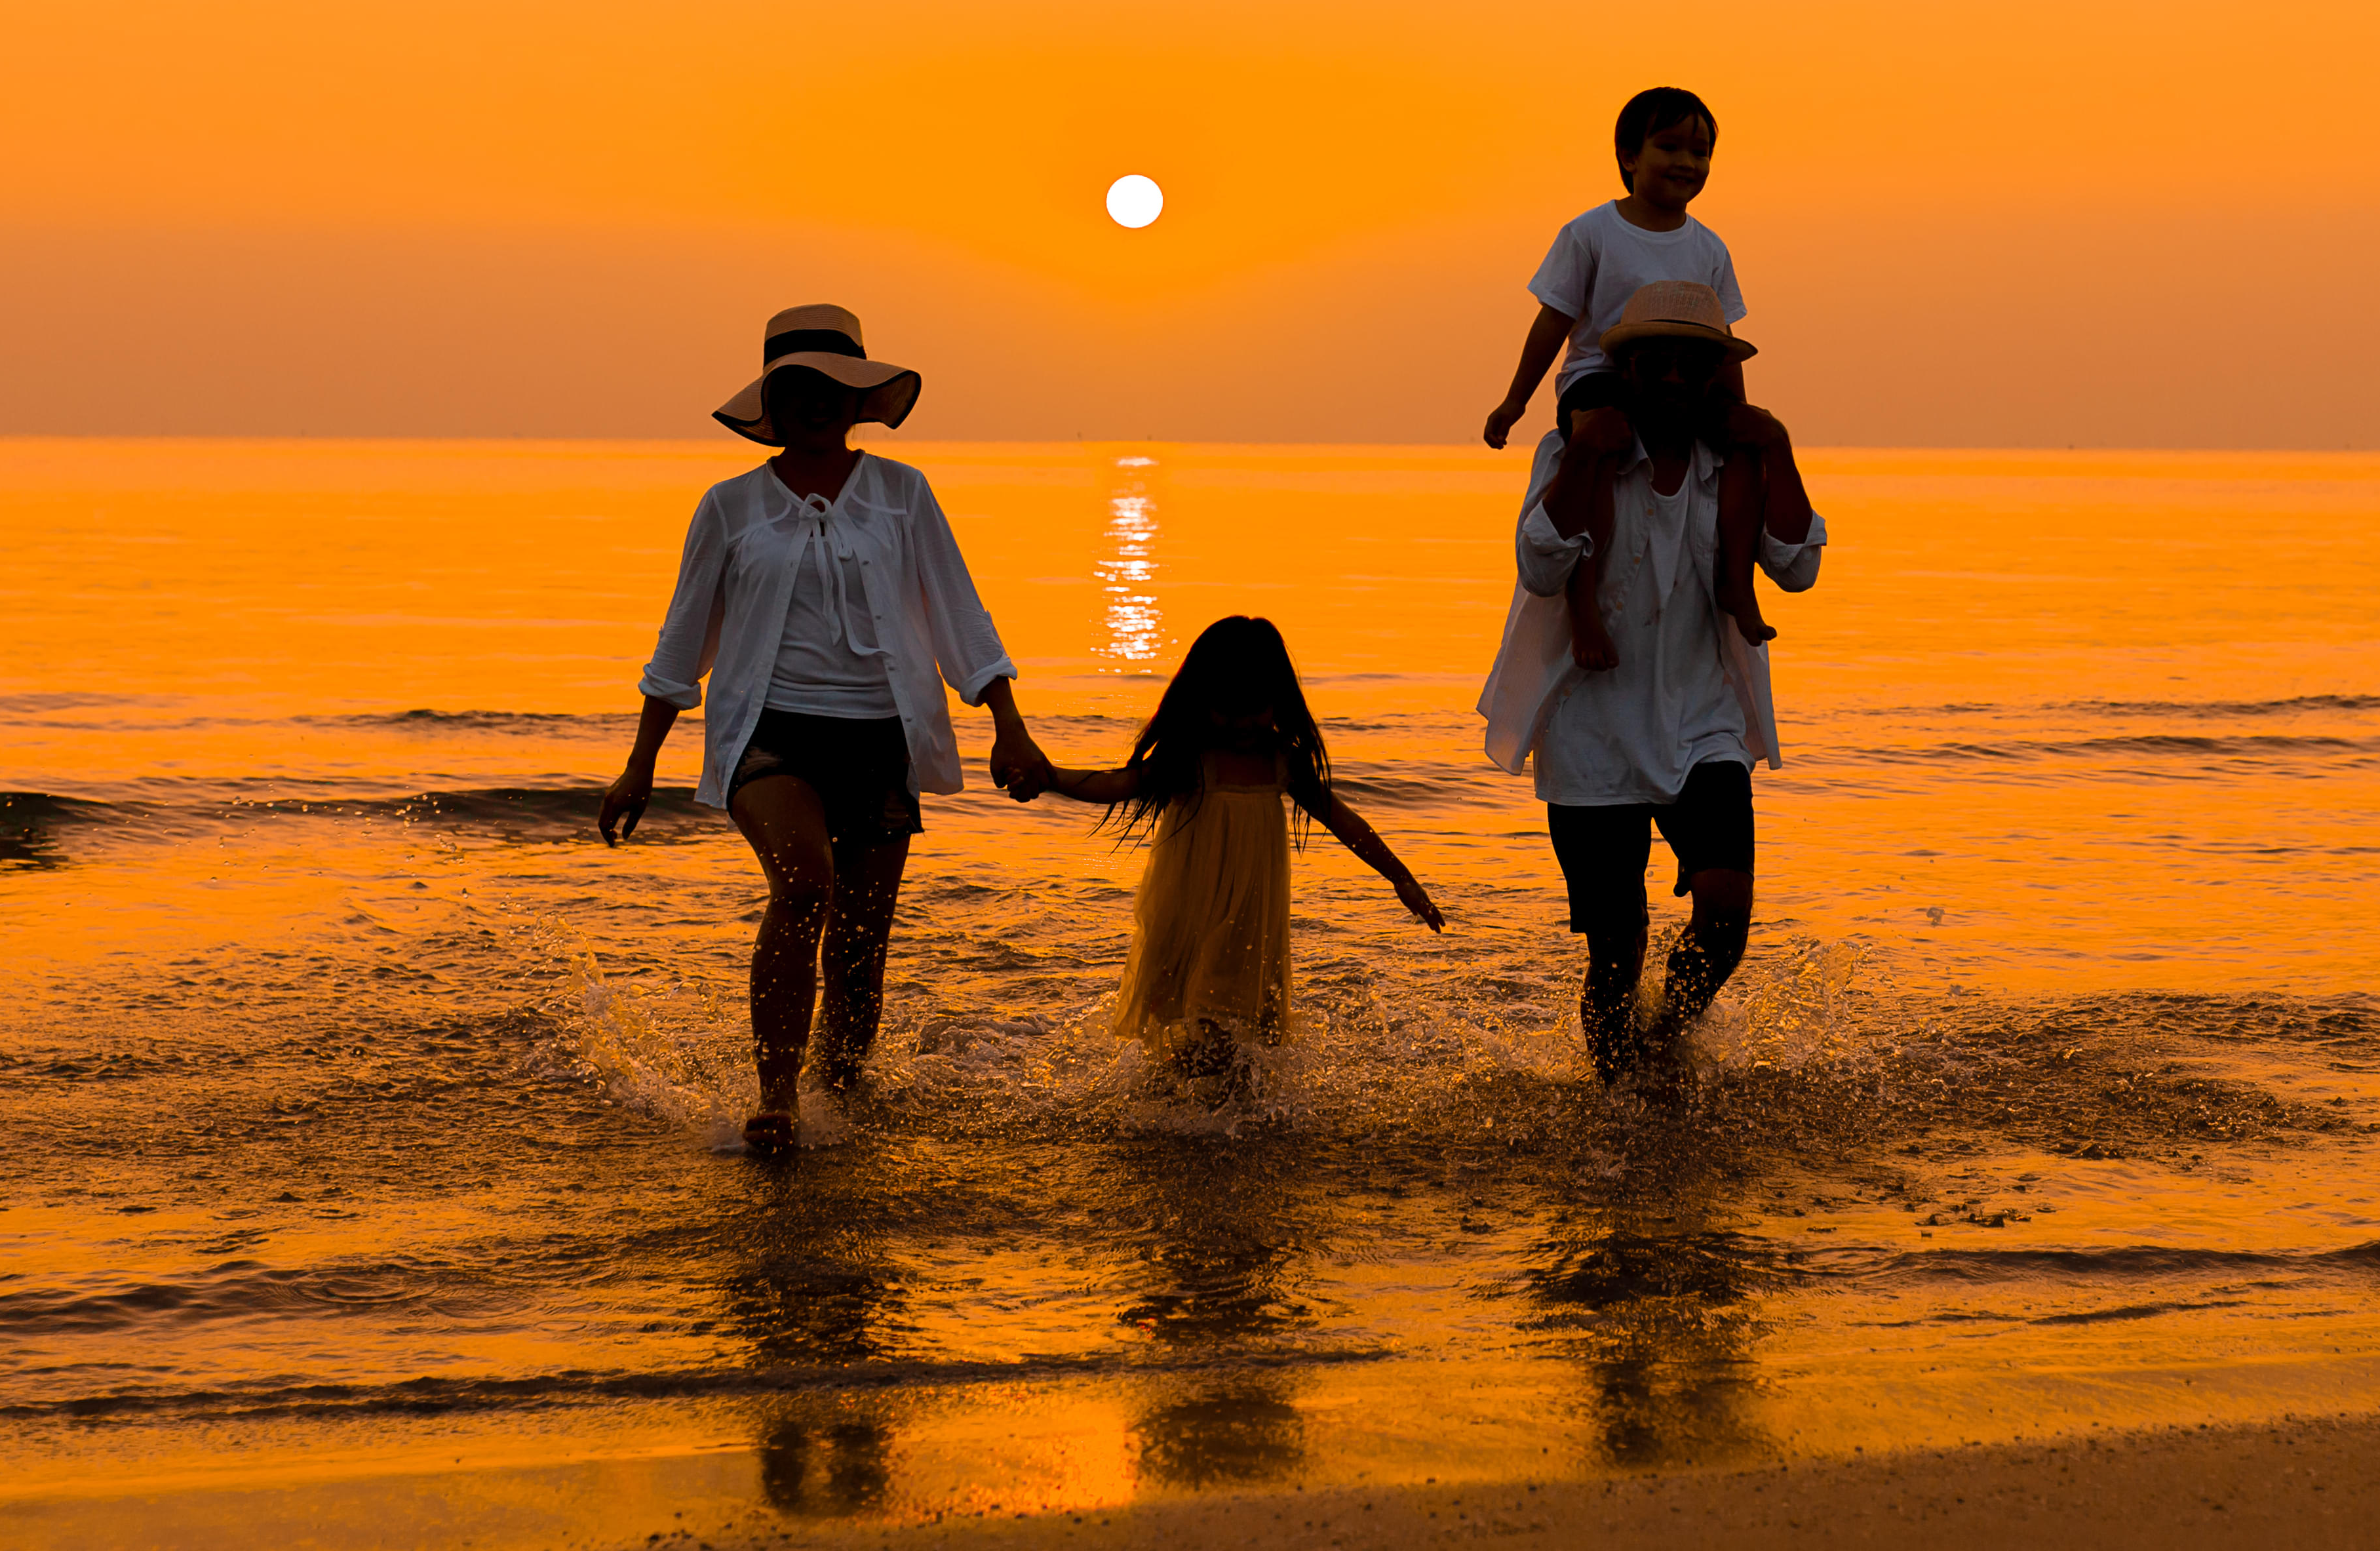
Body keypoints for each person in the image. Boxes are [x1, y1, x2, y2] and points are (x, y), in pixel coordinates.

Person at [599, 305, 1050, 1156]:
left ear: (857, 399)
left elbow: (961, 614)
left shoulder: (903, 494)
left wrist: (1010, 728)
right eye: (801, 386)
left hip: (881, 736)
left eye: (836, 387)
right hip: (770, 736)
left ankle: (841, 1100)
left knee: (860, 943)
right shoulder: (729, 508)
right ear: (776, 399)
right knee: (805, 888)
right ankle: (776, 1100)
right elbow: (679, 645)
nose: (819, 403)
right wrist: (638, 768)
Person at [1475, 281, 1824, 1086]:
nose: (1673, 377)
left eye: (1692, 362)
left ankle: (1666, 1040)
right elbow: (1539, 561)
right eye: (1654, 361)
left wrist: (1778, 444)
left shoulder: (1735, 461)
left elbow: (1797, 567)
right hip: (1592, 734)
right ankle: (1618, 1094)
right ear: (1624, 369)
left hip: (1704, 722)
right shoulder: (1573, 454)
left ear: (1715, 375)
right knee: (1617, 946)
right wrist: (1589, 451)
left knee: (1727, 913)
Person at [1008, 615, 1444, 1079]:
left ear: (1278, 700)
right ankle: (1182, 1115)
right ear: (1202, 699)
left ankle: (1220, 1115)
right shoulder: (1189, 758)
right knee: (1186, 1022)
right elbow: (1118, 785)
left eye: (1255, 709)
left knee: (1239, 1032)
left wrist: (1401, 877)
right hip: (1189, 912)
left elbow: (1343, 821)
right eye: (1228, 709)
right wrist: (1052, 778)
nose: (1242, 724)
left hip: (1250, 923)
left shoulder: (1283, 761)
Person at [1481, 88, 1788, 665]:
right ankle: (1584, 606)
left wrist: (1734, 414)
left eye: (1700, 152)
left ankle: (1736, 581)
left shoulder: (1710, 248)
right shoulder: (1592, 233)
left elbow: (1721, 347)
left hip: (1685, 380)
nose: (1686, 163)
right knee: (1604, 446)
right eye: (1669, 146)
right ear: (1627, 155)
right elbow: (1554, 320)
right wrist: (1514, 402)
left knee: (1747, 445)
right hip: (1600, 375)